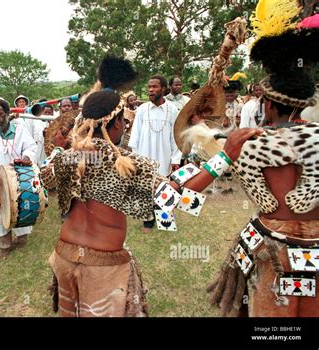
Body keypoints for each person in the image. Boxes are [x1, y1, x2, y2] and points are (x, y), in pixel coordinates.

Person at [41, 55, 259, 317]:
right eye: (125, 120)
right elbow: (177, 197)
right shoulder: (125, 163)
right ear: (118, 123)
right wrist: (224, 157)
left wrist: (60, 148)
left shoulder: (68, 158)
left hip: (63, 256)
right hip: (102, 268)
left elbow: (43, 179)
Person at [203, 1, 319, 317]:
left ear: (267, 104)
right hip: (315, 250)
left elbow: (188, 190)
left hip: (270, 248)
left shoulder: (249, 143)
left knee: (274, 321)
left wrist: (223, 156)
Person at [0, 99, 37, 258]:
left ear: (7, 114)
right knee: (1, 211)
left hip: (19, 177)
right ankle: (5, 245)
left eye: (0, 114)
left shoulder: (20, 130)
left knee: (20, 207)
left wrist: (27, 156)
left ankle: (21, 238)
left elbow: (31, 147)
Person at [128, 75, 182, 231]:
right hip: (144, 155)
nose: (151, 90)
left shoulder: (172, 109)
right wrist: (135, 158)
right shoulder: (142, 110)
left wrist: (175, 157)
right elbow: (135, 135)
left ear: (163, 89)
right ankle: (147, 219)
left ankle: (163, 217)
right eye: (149, 87)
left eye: (154, 87)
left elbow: (175, 136)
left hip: (164, 155)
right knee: (145, 187)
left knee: (163, 186)